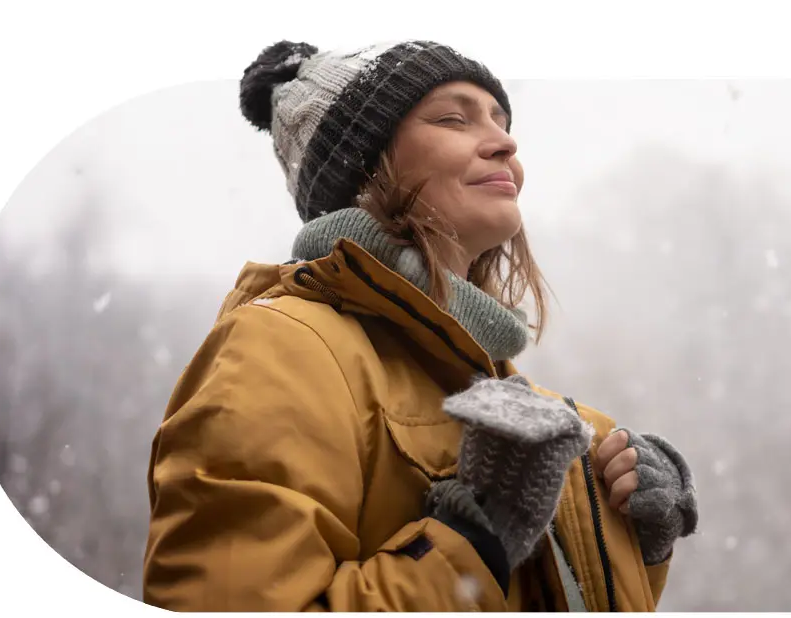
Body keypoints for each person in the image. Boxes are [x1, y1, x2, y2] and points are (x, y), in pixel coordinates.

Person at [142, 39, 699, 612]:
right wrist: (474, 537)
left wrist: (630, 535)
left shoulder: (526, 402)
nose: (506, 143)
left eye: (502, 122)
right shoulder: (280, 350)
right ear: (364, 167)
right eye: (454, 119)